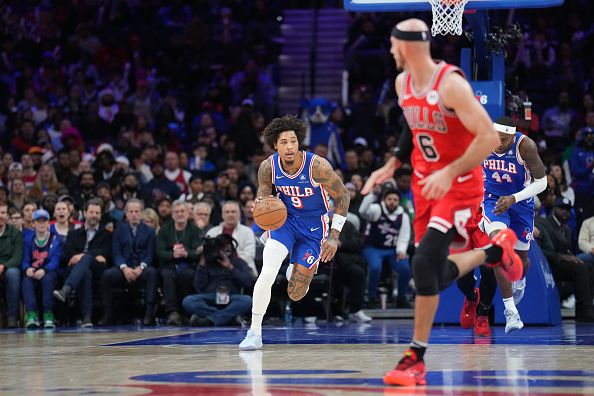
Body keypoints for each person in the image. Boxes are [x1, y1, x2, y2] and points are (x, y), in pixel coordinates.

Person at [360, 19, 523, 386]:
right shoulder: (403, 84)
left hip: (460, 186)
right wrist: (391, 165)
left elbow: (486, 138)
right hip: (425, 185)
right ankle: (493, 254)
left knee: (421, 260)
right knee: (427, 273)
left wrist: (449, 172)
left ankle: (415, 357)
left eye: (392, 45)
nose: (389, 51)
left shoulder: (450, 84)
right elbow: (411, 129)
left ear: (406, 46)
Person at [239, 115, 351, 351]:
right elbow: (264, 194)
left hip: (314, 227)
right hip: (285, 222)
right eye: (283, 142)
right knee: (268, 271)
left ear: (299, 142)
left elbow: (343, 196)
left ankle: (297, 268)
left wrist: (333, 235)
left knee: (297, 292)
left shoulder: (317, 166)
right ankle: (254, 332)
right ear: (274, 145)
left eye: (293, 141)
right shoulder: (268, 167)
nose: (289, 146)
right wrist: (261, 206)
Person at [472, 116, 547, 333]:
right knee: (499, 249)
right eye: (497, 138)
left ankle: (520, 280)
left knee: (522, 262)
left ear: (513, 136)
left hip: (521, 202)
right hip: (493, 200)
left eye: (504, 140)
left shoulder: (526, 146)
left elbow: (541, 183)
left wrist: (514, 198)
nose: (499, 143)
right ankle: (510, 312)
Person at [53, 198, 112, 328]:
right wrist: (93, 255)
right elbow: (68, 254)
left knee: (86, 259)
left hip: (99, 271)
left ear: (100, 215)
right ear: (85, 213)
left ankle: (66, 289)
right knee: (85, 272)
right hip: (77, 270)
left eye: (97, 213)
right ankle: (87, 318)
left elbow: (106, 253)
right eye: (91, 212)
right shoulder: (73, 234)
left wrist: (82, 255)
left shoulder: (106, 234)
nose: (94, 215)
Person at [100, 199, 158, 326]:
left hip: (141, 269)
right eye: (130, 211)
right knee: (107, 275)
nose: (134, 214)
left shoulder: (150, 231)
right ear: (126, 214)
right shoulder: (119, 230)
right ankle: (107, 314)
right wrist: (124, 268)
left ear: (142, 214)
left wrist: (141, 268)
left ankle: (149, 314)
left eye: (137, 211)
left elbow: (150, 254)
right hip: (124, 268)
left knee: (152, 273)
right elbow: (116, 253)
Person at [183, 234, 254, 326]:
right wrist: (202, 264)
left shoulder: (238, 262)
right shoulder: (207, 262)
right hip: (210, 297)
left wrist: (231, 267)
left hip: (231, 297)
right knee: (188, 301)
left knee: (247, 300)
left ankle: (210, 319)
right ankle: (228, 318)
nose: (222, 251)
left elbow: (247, 282)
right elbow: (198, 286)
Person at [359, 186, 412, 308]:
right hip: (373, 248)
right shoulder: (377, 209)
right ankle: (371, 298)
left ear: (398, 202)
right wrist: (372, 195)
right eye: (389, 199)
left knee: (405, 268)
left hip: (393, 249)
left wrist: (401, 250)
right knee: (375, 267)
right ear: (384, 200)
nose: (392, 202)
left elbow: (404, 236)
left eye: (395, 199)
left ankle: (401, 298)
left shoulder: (403, 216)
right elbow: (362, 211)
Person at [156, 200, 203, 325]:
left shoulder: (195, 230)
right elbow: (160, 252)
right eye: (176, 212)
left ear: (188, 213)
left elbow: (198, 252)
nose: (180, 214)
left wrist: (186, 254)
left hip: (189, 264)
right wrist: (173, 254)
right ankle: (172, 312)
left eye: (182, 211)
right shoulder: (165, 230)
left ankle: (184, 311)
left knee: (187, 275)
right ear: (172, 214)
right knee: (167, 275)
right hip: (169, 264)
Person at [21, 209, 63, 329]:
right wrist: (27, 268)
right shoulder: (29, 239)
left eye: (44, 221)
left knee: (47, 280)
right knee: (26, 281)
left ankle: (48, 314)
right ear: (33, 223)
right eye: (38, 221)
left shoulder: (56, 239)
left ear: (49, 223)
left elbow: (56, 260)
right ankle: (31, 315)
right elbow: (24, 259)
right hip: (33, 271)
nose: (41, 224)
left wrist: (44, 270)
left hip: (49, 272)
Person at [206, 201, 257, 278]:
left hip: (242, 270)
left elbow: (249, 256)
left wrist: (229, 261)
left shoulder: (248, 232)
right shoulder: (212, 232)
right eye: (227, 212)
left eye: (233, 212)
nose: (230, 214)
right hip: (217, 269)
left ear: (239, 214)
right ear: (222, 215)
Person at [0, 201, 24, 328]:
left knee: (13, 274)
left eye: (3, 213)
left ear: (7, 216)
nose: (0, 216)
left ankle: (12, 317)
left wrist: (4, 266)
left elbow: (18, 256)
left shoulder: (15, 233)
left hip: (9, 267)